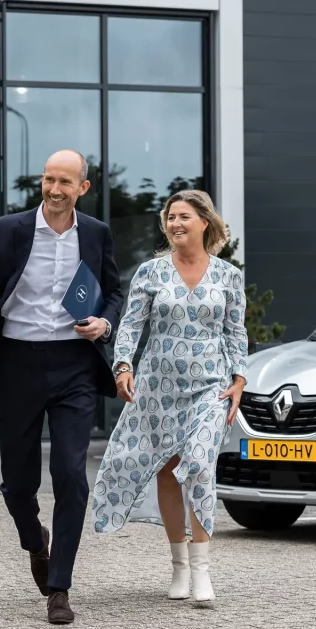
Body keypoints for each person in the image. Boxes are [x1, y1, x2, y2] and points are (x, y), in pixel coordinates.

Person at [0, 151, 123, 625]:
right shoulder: (7, 230)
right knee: (18, 483)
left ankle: (59, 588)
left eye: (65, 182)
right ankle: (36, 542)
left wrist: (104, 323)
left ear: (83, 187)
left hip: (75, 364)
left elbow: (113, 292)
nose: (55, 189)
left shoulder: (95, 233)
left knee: (71, 474)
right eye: (48, 179)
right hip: (18, 362)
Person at [93, 190, 248, 605]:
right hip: (159, 387)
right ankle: (179, 566)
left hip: (210, 387)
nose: (175, 224)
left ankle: (202, 570)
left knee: (198, 464)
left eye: (183, 216)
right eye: (170, 217)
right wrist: (122, 366)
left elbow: (235, 331)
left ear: (204, 222)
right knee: (167, 469)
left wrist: (239, 378)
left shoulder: (228, 276)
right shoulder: (151, 272)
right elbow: (131, 325)